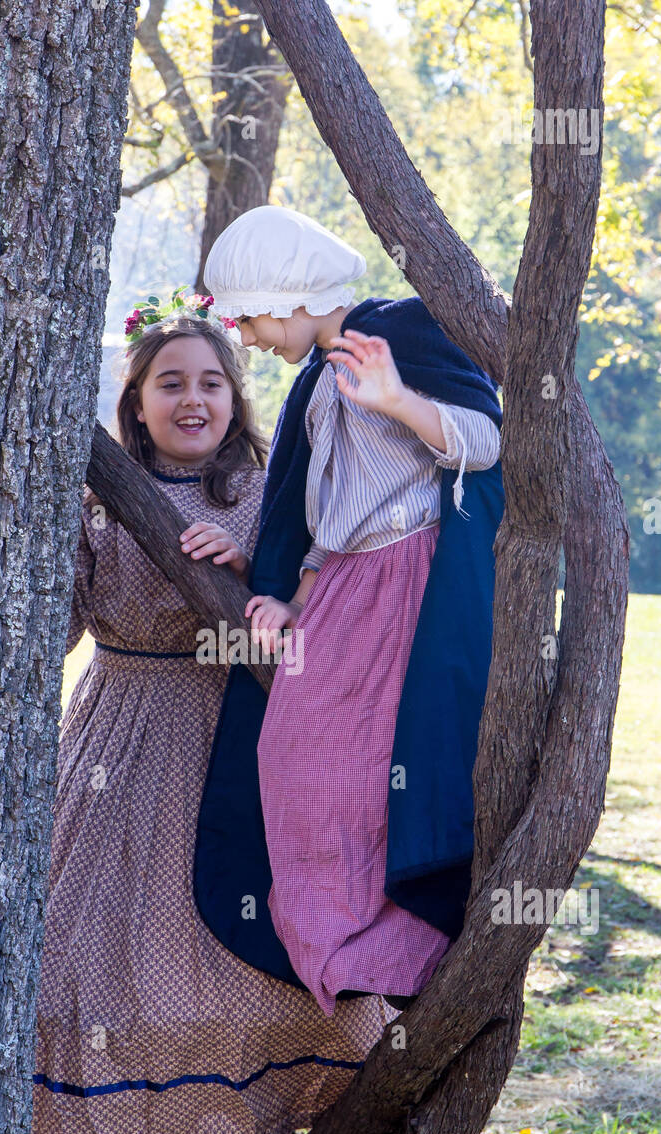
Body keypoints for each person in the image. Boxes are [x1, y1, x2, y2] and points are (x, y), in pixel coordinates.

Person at [27, 287, 396, 1134]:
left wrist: (257, 565)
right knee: (104, 964)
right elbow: (56, 621)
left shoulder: (269, 485)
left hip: (231, 736)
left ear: (235, 396)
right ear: (135, 400)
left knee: (217, 955)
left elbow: (328, 606)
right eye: (168, 384)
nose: (193, 401)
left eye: (210, 384)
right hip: (113, 736)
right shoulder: (96, 493)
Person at [194, 205, 504, 1016]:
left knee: (368, 770)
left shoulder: (399, 333)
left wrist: (399, 399)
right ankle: (344, 949)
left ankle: (402, 948)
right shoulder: (319, 376)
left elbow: (487, 440)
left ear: (289, 294)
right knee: (291, 760)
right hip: (341, 591)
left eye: (251, 316)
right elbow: (329, 514)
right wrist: (291, 594)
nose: (250, 336)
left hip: (407, 585)